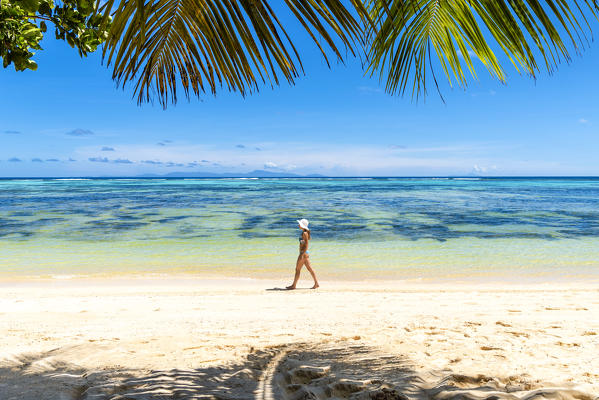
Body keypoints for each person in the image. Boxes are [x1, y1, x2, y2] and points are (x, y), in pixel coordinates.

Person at [287, 219, 319, 290]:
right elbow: (304, 243)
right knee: (310, 269)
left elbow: (306, 244)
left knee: (297, 270)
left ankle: (294, 285)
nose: (298, 225)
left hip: (303, 254)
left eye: (300, 224)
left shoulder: (304, 233)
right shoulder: (305, 233)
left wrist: (302, 254)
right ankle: (316, 283)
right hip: (305, 253)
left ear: (302, 225)